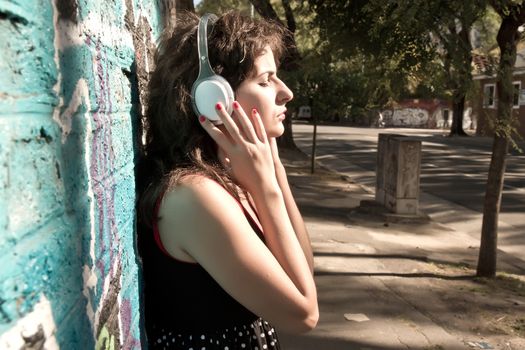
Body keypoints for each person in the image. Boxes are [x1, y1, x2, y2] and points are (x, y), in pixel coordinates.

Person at [137, 11, 318, 350]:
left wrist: (274, 171)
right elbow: (303, 314)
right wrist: (266, 190)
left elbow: (303, 272)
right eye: (266, 81)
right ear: (212, 97)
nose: (286, 92)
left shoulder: (228, 179)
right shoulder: (194, 196)